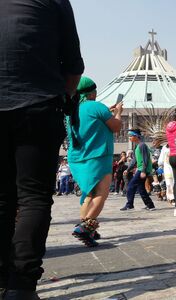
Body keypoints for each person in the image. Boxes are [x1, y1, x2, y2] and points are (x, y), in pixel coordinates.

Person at [0, 0, 84, 297]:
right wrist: (61, 97)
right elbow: (73, 65)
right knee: (34, 197)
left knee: (2, 199)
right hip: (38, 105)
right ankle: (21, 287)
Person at [67, 76, 123, 247]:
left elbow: (90, 119)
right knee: (101, 194)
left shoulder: (72, 109)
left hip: (77, 159)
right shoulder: (96, 106)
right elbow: (116, 127)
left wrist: (107, 110)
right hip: (97, 156)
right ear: (92, 92)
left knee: (88, 194)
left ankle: (88, 230)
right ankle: (86, 227)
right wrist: (118, 112)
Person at [120, 129, 156, 211]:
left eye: (131, 136)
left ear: (136, 136)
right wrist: (128, 169)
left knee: (130, 186)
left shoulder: (142, 145)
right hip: (141, 169)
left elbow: (145, 159)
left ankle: (129, 205)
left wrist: (143, 171)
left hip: (142, 169)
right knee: (141, 188)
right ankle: (150, 205)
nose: (129, 138)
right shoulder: (137, 146)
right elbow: (134, 160)